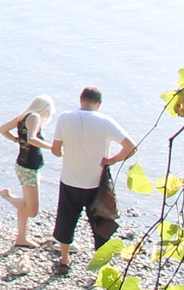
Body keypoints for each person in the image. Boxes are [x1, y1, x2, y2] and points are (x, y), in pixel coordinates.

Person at [50, 86, 137, 274]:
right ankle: (100, 267)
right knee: (100, 223)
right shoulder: (105, 121)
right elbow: (131, 147)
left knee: (66, 219)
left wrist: (67, 152)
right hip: (96, 182)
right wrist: (112, 159)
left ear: (81, 100)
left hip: (70, 179)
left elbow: (55, 150)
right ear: (99, 104)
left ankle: (65, 260)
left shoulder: (65, 117)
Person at [0, 95, 56, 247]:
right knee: (32, 211)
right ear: (45, 109)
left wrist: (17, 139)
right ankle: (7, 196)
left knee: (25, 204)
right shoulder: (34, 117)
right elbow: (31, 138)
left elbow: (2, 129)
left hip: (23, 164)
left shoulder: (23, 117)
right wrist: (52, 147)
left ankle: (21, 238)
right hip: (29, 167)